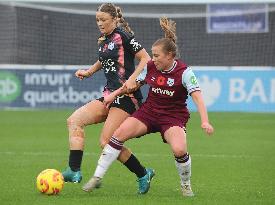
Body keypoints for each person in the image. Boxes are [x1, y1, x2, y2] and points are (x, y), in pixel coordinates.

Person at [82, 17, 214, 197]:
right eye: (152, 55)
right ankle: (97, 177)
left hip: (172, 117)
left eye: (157, 55)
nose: (153, 59)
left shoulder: (184, 72)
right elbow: (132, 84)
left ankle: (185, 185)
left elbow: (198, 98)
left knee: (179, 150)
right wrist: (113, 94)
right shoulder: (151, 66)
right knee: (117, 135)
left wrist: (205, 121)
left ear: (170, 56)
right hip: (148, 113)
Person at [62, 3, 154, 194]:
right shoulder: (104, 39)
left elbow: (146, 58)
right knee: (74, 120)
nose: (100, 23)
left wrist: (131, 80)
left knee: (106, 142)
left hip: (127, 97)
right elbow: (103, 59)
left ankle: (143, 173)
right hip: (109, 95)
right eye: (97, 20)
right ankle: (74, 170)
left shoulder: (124, 36)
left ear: (114, 19)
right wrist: (88, 72)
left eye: (103, 20)